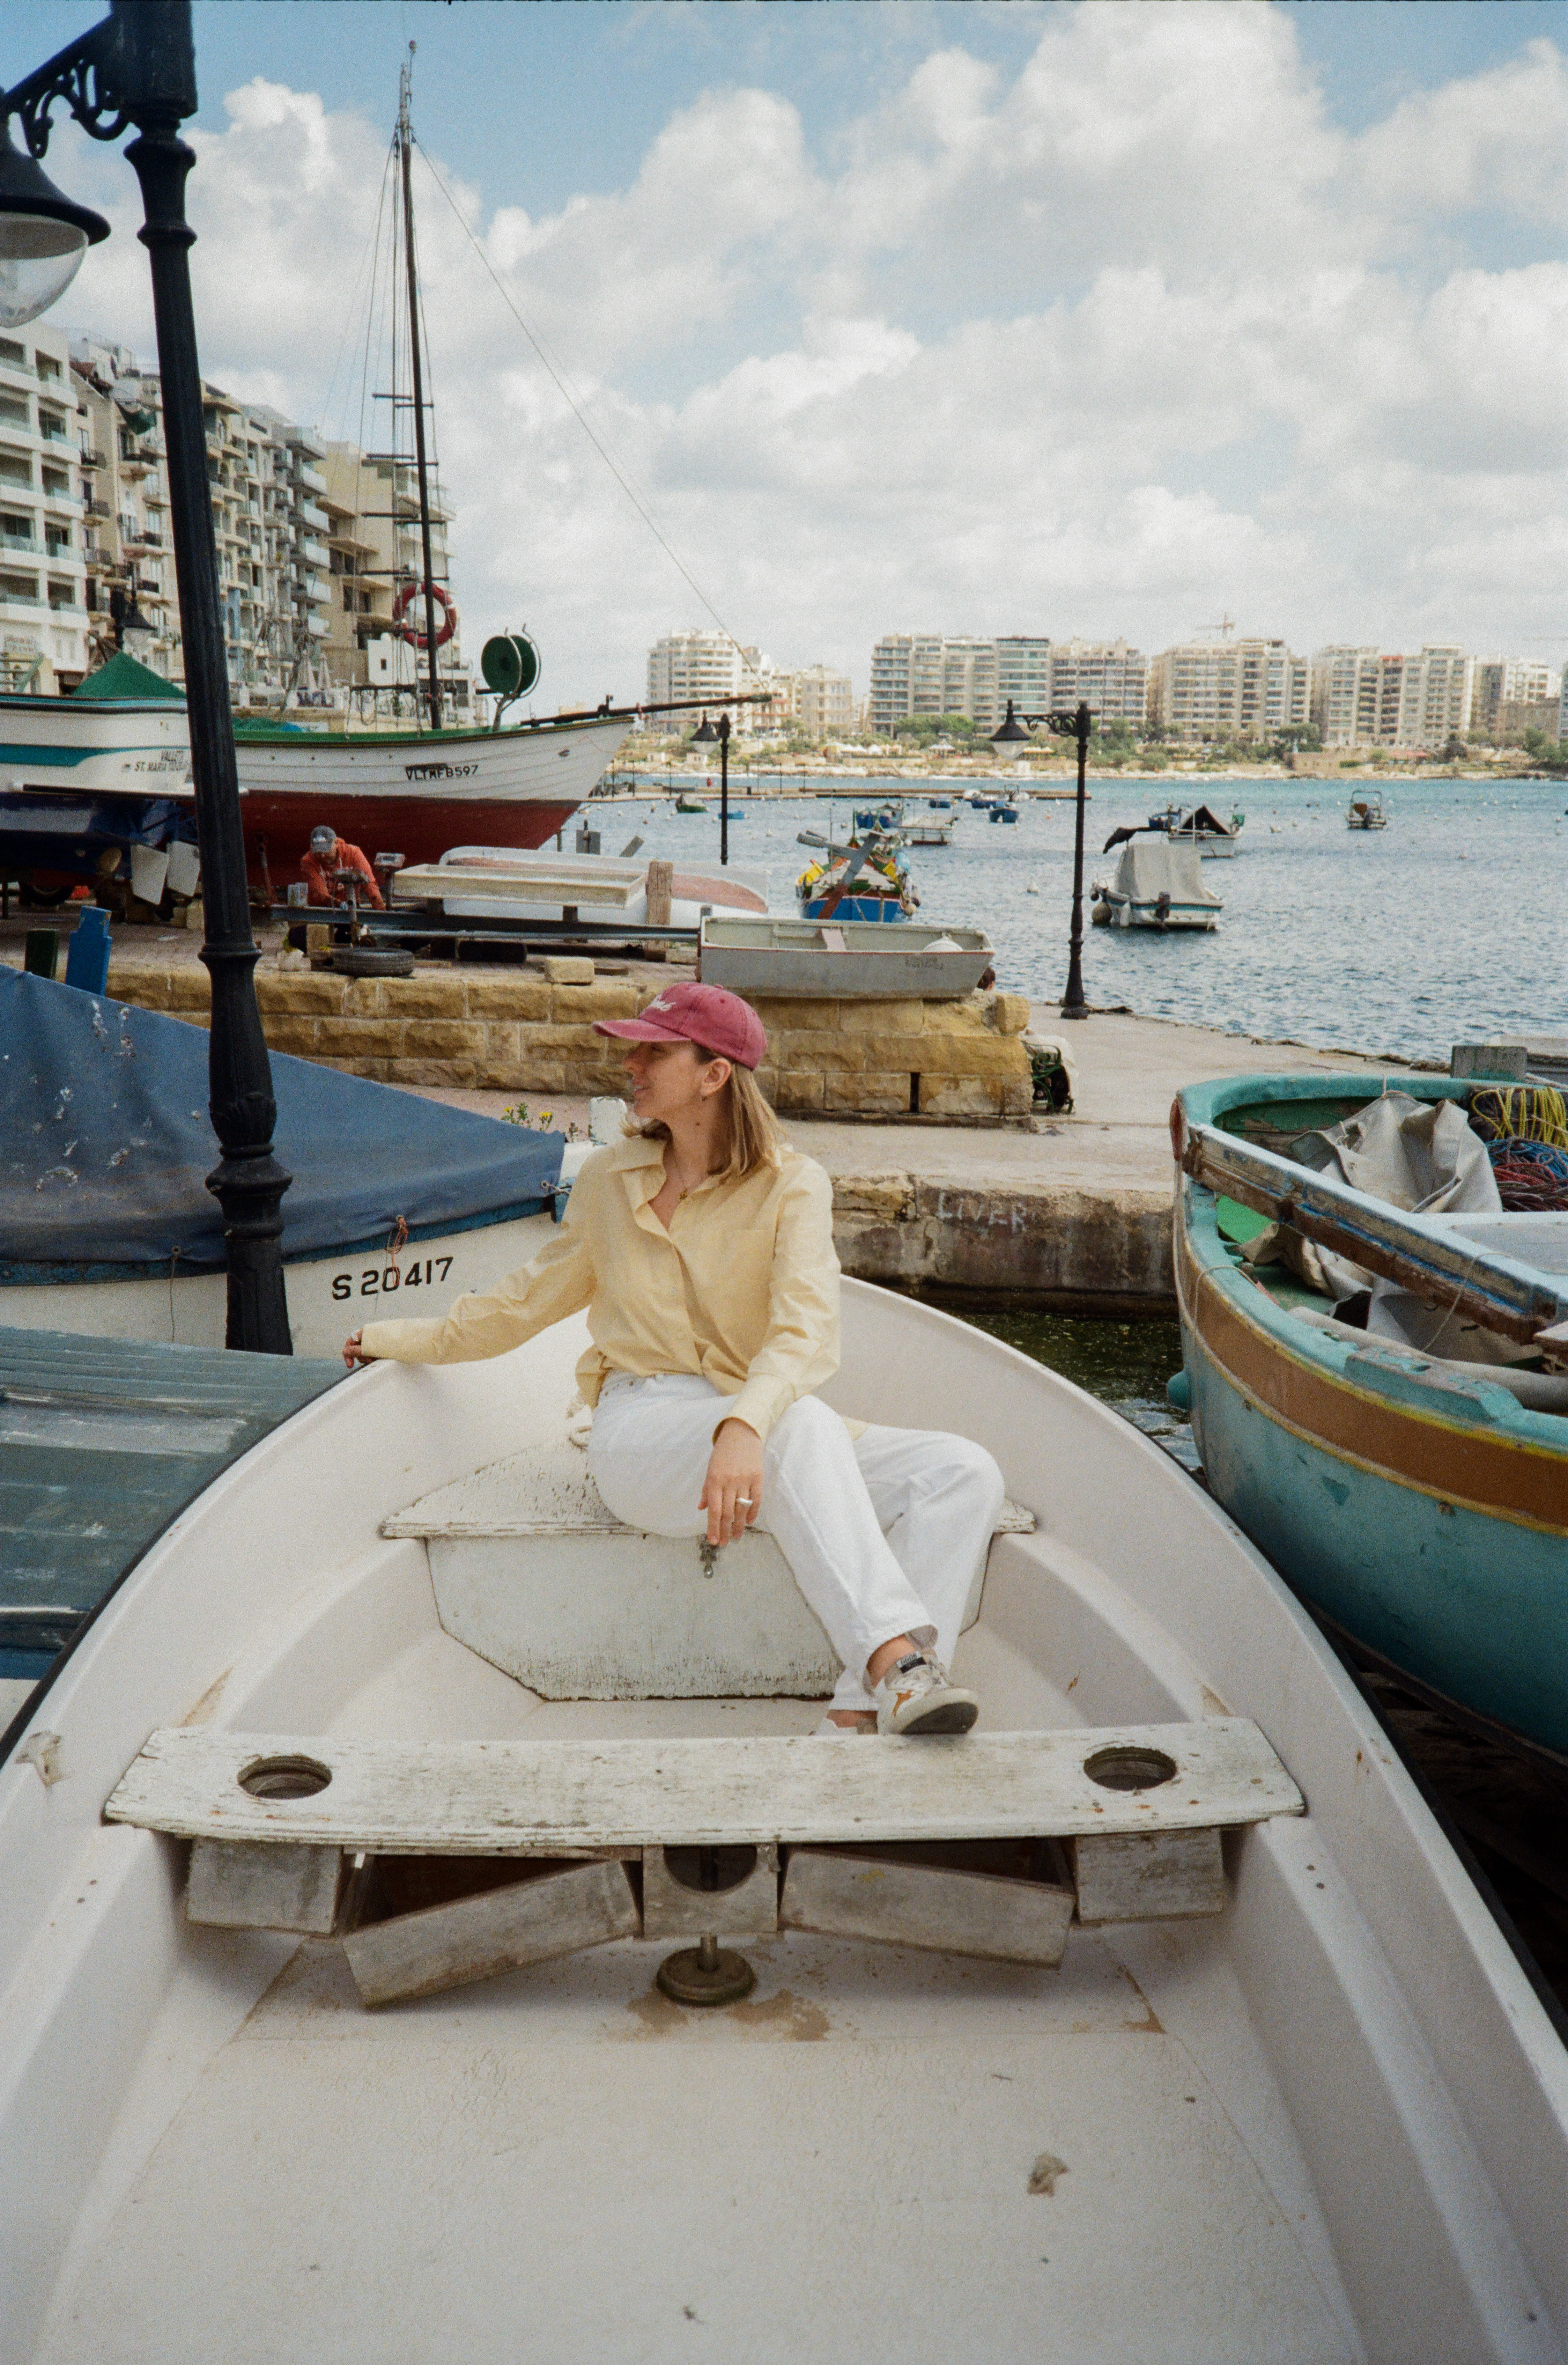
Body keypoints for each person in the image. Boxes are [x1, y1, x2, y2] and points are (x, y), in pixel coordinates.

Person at [343, 980, 1003, 1737]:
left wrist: (741, 1425)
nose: (631, 1063)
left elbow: (804, 1332)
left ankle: (857, 1709)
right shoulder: (607, 1179)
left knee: (961, 1473)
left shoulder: (792, 1186)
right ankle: (899, 1665)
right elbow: (521, 1304)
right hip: (643, 1435)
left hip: (754, 1428)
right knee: (799, 1424)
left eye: (654, 1051)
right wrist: (392, 1336)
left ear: (713, 1075)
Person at [300, 825, 383, 909]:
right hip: (323, 910)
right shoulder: (308, 861)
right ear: (312, 847)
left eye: (326, 850)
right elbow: (319, 894)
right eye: (318, 852)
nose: (322, 856)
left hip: (352, 905)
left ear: (336, 843)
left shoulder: (353, 853)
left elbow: (370, 884)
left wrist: (381, 911)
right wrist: (341, 905)